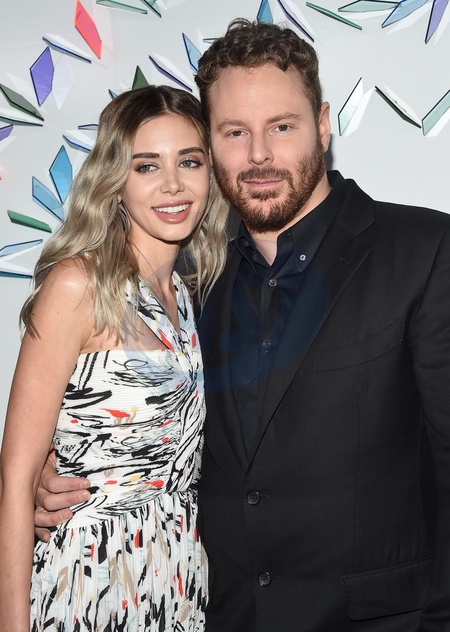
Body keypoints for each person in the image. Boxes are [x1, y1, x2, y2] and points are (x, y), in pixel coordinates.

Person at [33, 18, 450, 632]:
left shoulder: (423, 249)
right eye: (234, 132)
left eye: (281, 126)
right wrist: (57, 471)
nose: (258, 155)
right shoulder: (186, 276)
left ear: (323, 125)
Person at [0, 84, 228, 631]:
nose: (173, 185)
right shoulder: (78, 284)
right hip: (89, 579)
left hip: (177, 577)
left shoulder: (190, 294)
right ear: (115, 182)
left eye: (189, 162)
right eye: (147, 166)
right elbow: (17, 477)